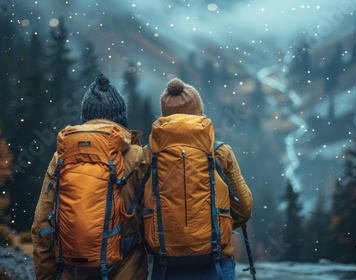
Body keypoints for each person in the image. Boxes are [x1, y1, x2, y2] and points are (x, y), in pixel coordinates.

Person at [31, 74, 149, 280]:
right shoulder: (137, 156)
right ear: (121, 119)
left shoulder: (61, 157)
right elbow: (153, 217)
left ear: (85, 117)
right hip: (126, 268)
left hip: (73, 269)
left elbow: (41, 224)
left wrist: (46, 276)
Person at [147, 77, 254, 279]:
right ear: (198, 111)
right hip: (215, 263)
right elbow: (244, 207)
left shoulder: (148, 155)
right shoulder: (220, 152)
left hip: (166, 264)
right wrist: (216, 224)